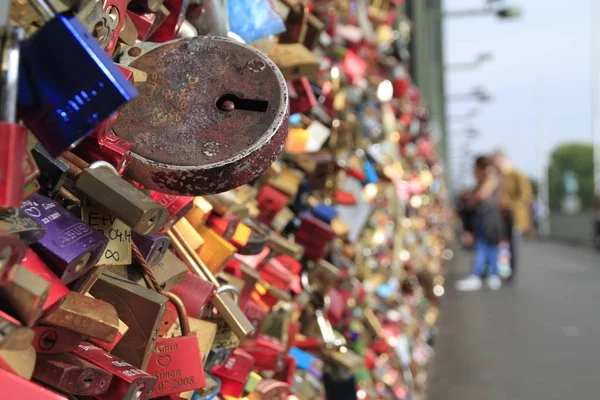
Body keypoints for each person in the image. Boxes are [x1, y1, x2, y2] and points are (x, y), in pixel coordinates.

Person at [455, 156, 504, 291]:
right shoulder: (493, 177)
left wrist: (470, 202)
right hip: (489, 217)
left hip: (487, 217)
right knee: (490, 247)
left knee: (483, 246)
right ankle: (492, 274)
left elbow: (481, 195)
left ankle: (478, 275)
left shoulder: (490, 178)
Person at [491, 150, 533, 281]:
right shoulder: (500, 176)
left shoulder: (518, 175)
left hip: (513, 215)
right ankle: (503, 269)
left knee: (511, 245)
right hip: (502, 214)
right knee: (503, 243)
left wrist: (509, 204)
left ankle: (510, 271)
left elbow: (525, 196)